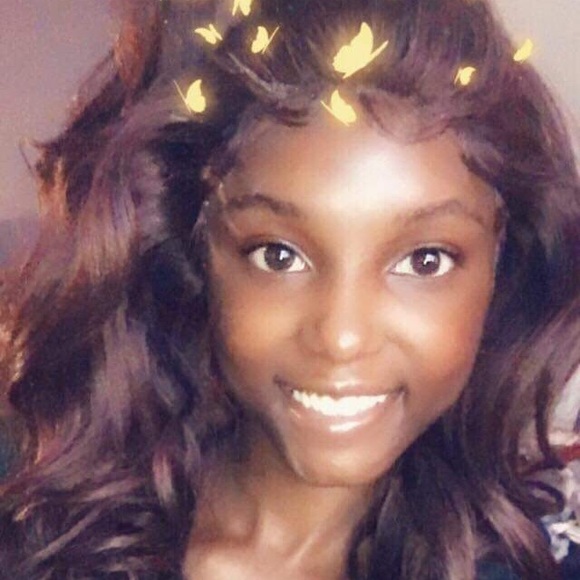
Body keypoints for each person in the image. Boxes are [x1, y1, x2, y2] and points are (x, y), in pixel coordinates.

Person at [0, 0, 578, 578]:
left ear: (503, 269)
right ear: (195, 256)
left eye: (425, 261)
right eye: (278, 255)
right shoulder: (38, 517)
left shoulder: (525, 564)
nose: (342, 338)